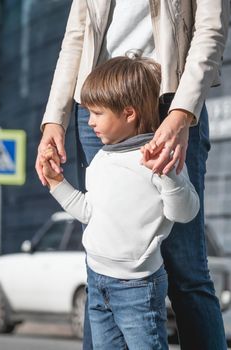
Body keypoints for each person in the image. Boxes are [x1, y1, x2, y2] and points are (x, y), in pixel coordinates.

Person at [36, 1, 230, 349]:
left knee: (186, 270)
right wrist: (55, 119)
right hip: (99, 103)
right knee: (101, 266)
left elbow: (211, 27)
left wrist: (182, 111)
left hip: (168, 103)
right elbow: (77, 34)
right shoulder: (95, 120)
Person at [41, 56, 200, 350]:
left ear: (128, 113)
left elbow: (185, 212)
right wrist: (56, 184)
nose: (89, 122)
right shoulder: (102, 159)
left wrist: (167, 176)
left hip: (138, 289)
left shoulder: (161, 156)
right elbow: (90, 212)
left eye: (97, 113)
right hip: (98, 282)